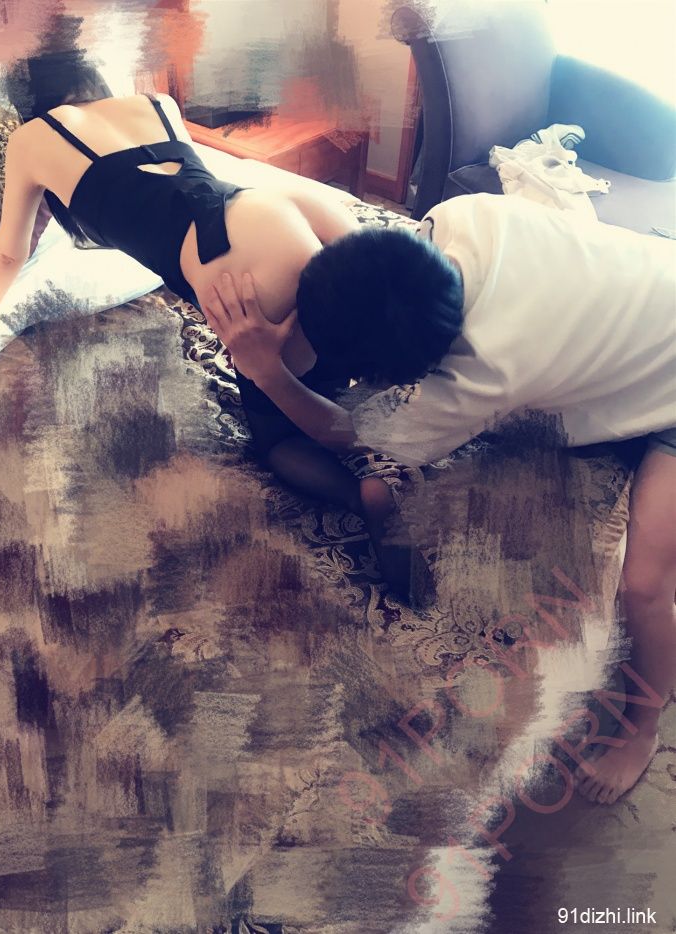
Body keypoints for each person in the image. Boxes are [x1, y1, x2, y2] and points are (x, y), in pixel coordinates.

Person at [203, 191, 676, 804]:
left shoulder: (485, 372)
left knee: (645, 586)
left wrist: (265, 369)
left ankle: (642, 726)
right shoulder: (463, 217)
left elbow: (347, 433)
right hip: (655, 285)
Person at [0, 37, 443, 603]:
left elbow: (8, 251)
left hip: (246, 281)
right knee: (363, 325)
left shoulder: (30, 137)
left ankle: (357, 495)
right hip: (276, 211)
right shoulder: (156, 103)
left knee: (280, 438)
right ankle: (398, 368)